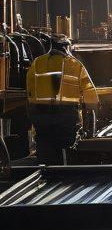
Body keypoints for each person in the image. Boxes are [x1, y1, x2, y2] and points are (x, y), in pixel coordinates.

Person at [25, 35, 98, 166]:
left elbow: (29, 88)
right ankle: (64, 172)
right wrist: (92, 106)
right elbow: (88, 89)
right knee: (67, 147)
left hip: (40, 114)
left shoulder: (37, 62)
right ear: (66, 47)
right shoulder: (74, 64)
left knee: (44, 144)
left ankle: (44, 172)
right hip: (66, 115)